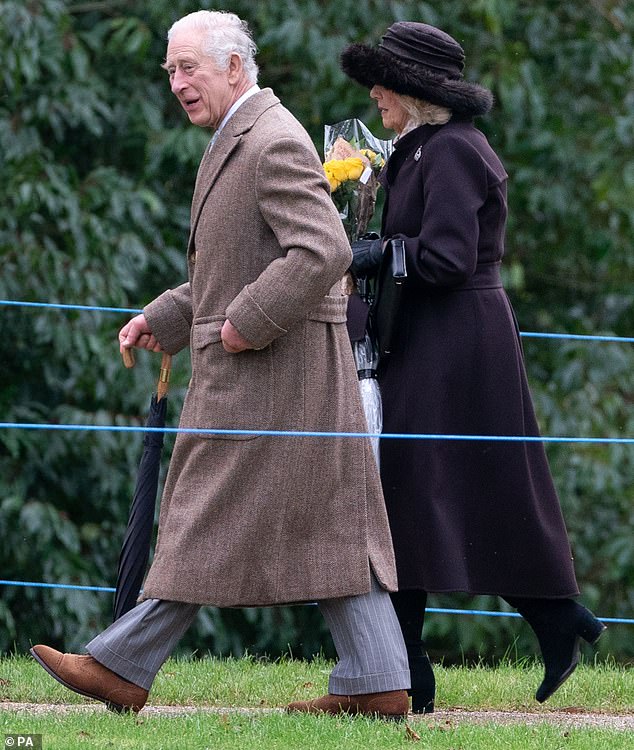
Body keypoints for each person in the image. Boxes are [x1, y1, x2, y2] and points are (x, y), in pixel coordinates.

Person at [30, 10, 412, 720]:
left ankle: (121, 664)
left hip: (275, 375)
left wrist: (247, 322)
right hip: (270, 377)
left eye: (188, 68)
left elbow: (322, 251)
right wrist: (165, 319)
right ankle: (377, 676)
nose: (176, 84)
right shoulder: (245, 134)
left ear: (234, 68)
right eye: (170, 71)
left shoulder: (270, 140)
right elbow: (237, 264)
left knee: (201, 517)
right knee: (332, 518)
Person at [340, 21, 606, 714]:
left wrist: (371, 254)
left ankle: (527, 627)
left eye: (384, 83)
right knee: (418, 497)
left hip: (458, 342)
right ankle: (425, 665)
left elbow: (448, 259)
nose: (374, 94)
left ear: (416, 93)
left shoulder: (454, 150)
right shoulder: (418, 149)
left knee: (438, 492)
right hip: (429, 338)